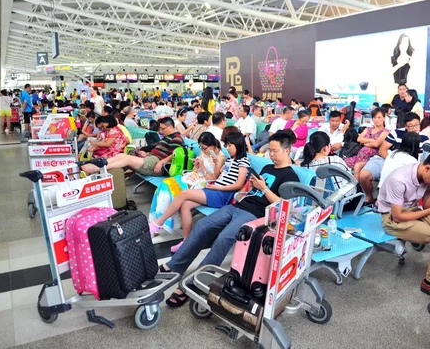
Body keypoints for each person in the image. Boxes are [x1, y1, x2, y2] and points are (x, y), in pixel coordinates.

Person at [160, 130, 300, 307]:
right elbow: (252, 189)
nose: (271, 154)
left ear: (287, 150)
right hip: (238, 205)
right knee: (202, 225)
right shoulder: (267, 168)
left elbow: (283, 206)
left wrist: (264, 189)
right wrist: (247, 190)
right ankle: (175, 265)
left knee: (224, 238)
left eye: (275, 151)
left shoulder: (290, 177)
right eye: (269, 151)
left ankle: (197, 281)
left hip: (255, 214)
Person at [377, 150, 430, 299]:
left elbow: (427, 206)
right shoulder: (399, 179)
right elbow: (398, 216)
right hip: (392, 218)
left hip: (414, 211)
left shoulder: (427, 177)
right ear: (427, 168)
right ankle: (429, 282)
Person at [150, 132, 249, 252]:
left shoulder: (243, 161)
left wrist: (217, 187)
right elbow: (218, 178)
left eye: (230, 145)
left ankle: (158, 223)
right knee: (185, 205)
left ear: (238, 145)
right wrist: (217, 168)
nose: (227, 148)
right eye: (226, 145)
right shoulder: (229, 160)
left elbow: (238, 184)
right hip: (214, 189)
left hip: (222, 195)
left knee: (184, 194)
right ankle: (186, 242)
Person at [359, 112, 429, 204]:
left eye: (417, 125)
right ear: (406, 126)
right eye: (411, 126)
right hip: (387, 159)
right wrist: (393, 162)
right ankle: (369, 196)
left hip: (412, 165)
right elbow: (382, 150)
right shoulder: (396, 133)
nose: (414, 129)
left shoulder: (424, 138)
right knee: (364, 175)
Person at [82, 117, 183, 176]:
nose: (160, 131)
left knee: (127, 159)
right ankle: (97, 166)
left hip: (157, 164)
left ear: (170, 127)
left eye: (162, 129)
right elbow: (160, 151)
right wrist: (147, 153)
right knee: (122, 156)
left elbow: (174, 155)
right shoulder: (166, 138)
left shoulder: (176, 138)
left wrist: (161, 162)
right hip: (151, 159)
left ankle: (95, 169)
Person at [300, 131, 357, 198]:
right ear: (325, 148)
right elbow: (351, 179)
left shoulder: (304, 165)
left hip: (317, 200)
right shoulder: (336, 160)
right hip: (340, 201)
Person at [344, 108, 388, 175]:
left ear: (384, 118)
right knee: (342, 163)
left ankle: (357, 185)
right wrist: (372, 140)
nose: (376, 120)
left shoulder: (385, 131)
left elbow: (376, 144)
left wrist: (365, 143)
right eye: (374, 117)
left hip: (372, 158)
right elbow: (359, 139)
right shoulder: (368, 129)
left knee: (357, 166)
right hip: (359, 156)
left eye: (379, 117)